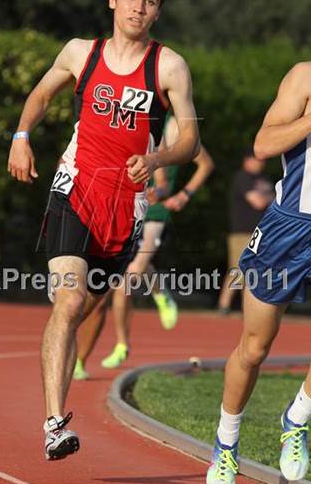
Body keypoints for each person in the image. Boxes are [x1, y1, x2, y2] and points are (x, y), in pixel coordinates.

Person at [7, 0, 200, 461]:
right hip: (76, 186)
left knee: (82, 311)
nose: (139, 7)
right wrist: (21, 137)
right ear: (113, 0)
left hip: (126, 202)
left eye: (150, 0)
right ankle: (54, 424)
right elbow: (41, 95)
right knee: (68, 304)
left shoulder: (169, 66)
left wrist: (156, 158)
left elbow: (191, 141)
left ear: (158, 12)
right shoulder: (80, 52)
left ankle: (58, 401)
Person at [206, 17, 311, 484]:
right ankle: (225, 442)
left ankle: (296, 420)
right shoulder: (309, 77)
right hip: (287, 230)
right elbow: (262, 143)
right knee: (255, 348)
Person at [72, 126, 214, 378]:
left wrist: (183, 194)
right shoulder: (128, 119)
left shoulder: (174, 126)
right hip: (126, 209)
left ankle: (121, 344)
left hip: (154, 215)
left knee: (126, 279)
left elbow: (204, 164)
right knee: (126, 271)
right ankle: (158, 290)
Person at [217, 148, 274, 315]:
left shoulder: (264, 179)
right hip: (242, 231)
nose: (261, 163)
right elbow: (259, 202)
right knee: (238, 269)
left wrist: (268, 198)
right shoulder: (243, 178)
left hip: (261, 232)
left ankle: (248, 307)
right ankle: (223, 305)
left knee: (255, 271)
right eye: (257, 160)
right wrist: (270, 197)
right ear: (247, 160)